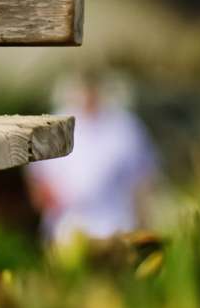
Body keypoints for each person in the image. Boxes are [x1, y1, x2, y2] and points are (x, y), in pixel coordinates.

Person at [24, 72, 160, 242]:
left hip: (116, 229)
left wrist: (143, 221)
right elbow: (37, 179)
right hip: (66, 231)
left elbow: (144, 178)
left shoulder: (125, 127)